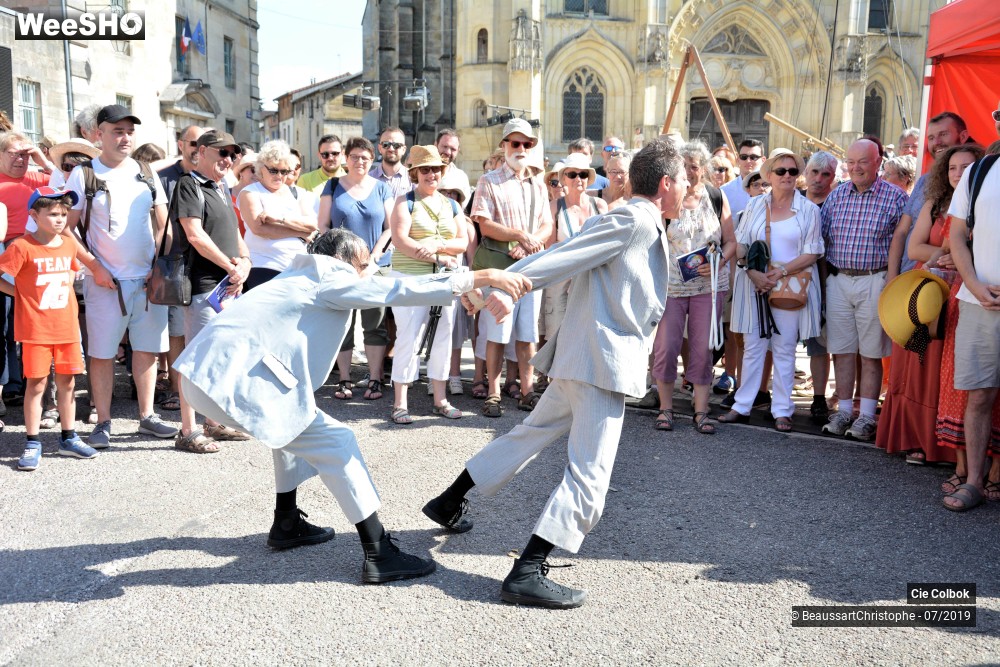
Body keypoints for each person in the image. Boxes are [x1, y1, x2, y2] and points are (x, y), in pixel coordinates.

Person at [420, 138, 688, 609]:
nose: (688, 187)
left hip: (585, 358)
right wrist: (512, 286)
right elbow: (566, 254)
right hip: (600, 363)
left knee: (530, 433)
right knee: (590, 475)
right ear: (666, 183)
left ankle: (450, 499)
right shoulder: (634, 218)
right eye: (684, 179)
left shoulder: (638, 219)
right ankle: (527, 569)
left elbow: (570, 251)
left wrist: (508, 285)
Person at [175, 228, 530, 578]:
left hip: (202, 377)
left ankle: (286, 522)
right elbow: (391, 287)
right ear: (344, 262)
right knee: (337, 442)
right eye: (364, 265)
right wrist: (477, 277)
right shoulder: (329, 277)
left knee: (293, 421)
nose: (368, 272)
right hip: (230, 384)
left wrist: (457, 292)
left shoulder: (297, 275)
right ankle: (379, 552)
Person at [63, 105, 179, 448]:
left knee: (147, 350)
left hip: (147, 281)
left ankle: (147, 417)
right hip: (105, 282)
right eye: (117, 131)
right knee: (101, 353)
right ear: (98, 135)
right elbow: (66, 230)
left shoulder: (145, 172)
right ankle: (103, 421)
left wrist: (159, 263)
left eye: (129, 131)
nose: (125, 137)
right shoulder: (83, 175)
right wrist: (95, 267)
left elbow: (164, 224)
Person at [1, 188, 108, 469]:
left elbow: (72, 271)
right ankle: (33, 441)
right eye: (53, 214)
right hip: (35, 329)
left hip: (67, 328)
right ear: (34, 216)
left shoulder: (69, 244)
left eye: (63, 214)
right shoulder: (21, 246)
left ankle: (68, 438)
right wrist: (20, 294)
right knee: (36, 385)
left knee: (68, 383)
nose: (60, 219)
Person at [718, 149, 824, 432]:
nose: (788, 176)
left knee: (784, 348)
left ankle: (782, 409)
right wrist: (752, 272)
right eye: (781, 171)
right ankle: (742, 405)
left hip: (789, 284)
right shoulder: (754, 206)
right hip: (754, 284)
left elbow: (813, 252)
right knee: (752, 347)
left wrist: (778, 273)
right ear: (769, 175)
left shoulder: (809, 210)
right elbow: (740, 244)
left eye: (792, 171)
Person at [172, 131, 255, 452]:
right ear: (202, 152)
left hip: (227, 286)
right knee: (196, 360)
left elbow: (234, 233)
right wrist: (230, 266)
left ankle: (213, 421)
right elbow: (194, 235)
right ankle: (188, 430)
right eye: (221, 153)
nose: (227, 159)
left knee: (220, 359)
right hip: (204, 287)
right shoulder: (189, 184)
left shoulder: (220, 187)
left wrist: (245, 261)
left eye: (232, 154)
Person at [820, 139, 908, 441]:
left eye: (863, 162)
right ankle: (844, 410)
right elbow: (823, 242)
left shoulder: (896, 198)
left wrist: (892, 284)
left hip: (875, 279)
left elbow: (903, 246)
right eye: (851, 161)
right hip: (839, 280)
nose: (855, 167)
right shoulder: (836, 196)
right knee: (842, 350)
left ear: (878, 161)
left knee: (871, 353)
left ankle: (867, 415)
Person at [471, 119, 553, 416]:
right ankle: (493, 392)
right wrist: (519, 235)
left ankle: (527, 390)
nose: (521, 148)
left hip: (531, 268)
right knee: (497, 332)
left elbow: (547, 225)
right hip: (500, 270)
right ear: (504, 145)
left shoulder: (537, 184)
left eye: (527, 144)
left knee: (527, 334)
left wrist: (531, 241)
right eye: (515, 143)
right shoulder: (488, 180)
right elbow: (483, 223)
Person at [652, 141, 735, 434]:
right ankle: (665, 408)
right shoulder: (667, 199)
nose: (688, 172)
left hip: (708, 286)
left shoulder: (715, 196)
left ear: (704, 169)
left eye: (693, 167)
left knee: (703, 349)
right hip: (671, 287)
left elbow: (731, 242)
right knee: (666, 347)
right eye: (682, 167)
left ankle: (701, 411)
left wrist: (718, 262)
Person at [387, 146, 469, 423]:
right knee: (408, 336)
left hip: (443, 277)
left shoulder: (452, 204)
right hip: (410, 277)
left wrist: (440, 247)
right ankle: (400, 403)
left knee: (444, 335)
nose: (431, 174)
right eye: (425, 169)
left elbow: (463, 241)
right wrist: (437, 254)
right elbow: (400, 240)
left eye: (435, 169)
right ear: (415, 173)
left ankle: (440, 399)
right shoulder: (404, 201)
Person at [941, 141, 1000, 511]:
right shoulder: (979, 172)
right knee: (980, 395)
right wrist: (975, 286)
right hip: (981, 302)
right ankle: (975, 481)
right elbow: (957, 236)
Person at [318, 137, 393, 401]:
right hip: (340, 265)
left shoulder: (382, 188)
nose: (359, 161)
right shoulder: (333, 185)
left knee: (375, 324)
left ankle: (375, 378)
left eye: (365, 157)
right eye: (354, 156)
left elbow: (390, 228)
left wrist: (373, 257)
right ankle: (345, 378)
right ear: (345, 159)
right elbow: (323, 226)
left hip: (375, 266)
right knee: (343, 324)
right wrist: (341, 255)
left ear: (371, 159)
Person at [157, 125, 208, 413]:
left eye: (204, 144)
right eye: (193, 143)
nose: (198, 149)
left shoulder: (213, 178)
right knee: (177, 333)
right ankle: (178, 392)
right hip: (177, 265)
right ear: (181, 144)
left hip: (208, 268)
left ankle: (205, 396)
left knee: (205, 333)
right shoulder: (164, 178)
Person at [540, 153, 609, 355]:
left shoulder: (600, 205)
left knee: (590, 341)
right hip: (562, 281)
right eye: (572, 174)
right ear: (563, 179)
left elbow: (606, 244)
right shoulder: (554, 207)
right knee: (557, 339)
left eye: (583, 174)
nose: (578, 179)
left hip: (592, 283)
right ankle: (556, 385)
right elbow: (549, 248)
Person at [891, 113, 970, 277]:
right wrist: (891, 276)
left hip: (955, 283)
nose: (937, 142)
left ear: (963, 136)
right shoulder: (924, 182)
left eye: (943, 134)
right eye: (932, 137)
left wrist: (960, 258)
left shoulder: (978, 186)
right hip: (911, 276)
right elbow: (902, 233)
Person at [237, 140, 317, 291]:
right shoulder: (250, 192)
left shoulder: (293, 192)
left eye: (284, 171)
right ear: (261, 168)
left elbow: (312, 225)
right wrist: (300, 232)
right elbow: (260, 229)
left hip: (297, 267)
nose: (279, 176)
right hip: (264, 266)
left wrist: (280, 219)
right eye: (274, 170)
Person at [801, 150, 839, 424]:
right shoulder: (793, 202)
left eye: (825, 174)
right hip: (789, 280)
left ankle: (819, 398)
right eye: (814, 172)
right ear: (806, 173)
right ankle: (773, 393)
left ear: (833, 177)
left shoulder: (836, 203)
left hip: (825, 281)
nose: (818, 179)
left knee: (821, 343)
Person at [720, 139, 765, 218]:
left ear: (763, 160)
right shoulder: (724, 191)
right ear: (738, 160)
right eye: (743, 157)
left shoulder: (774, 190)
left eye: (753, 157)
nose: (748, 161)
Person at [370, 127, 412, 199]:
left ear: (404, 150)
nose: (391, 149)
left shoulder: (412, 178)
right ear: (380, 148)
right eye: (386, 144)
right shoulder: (369, 178)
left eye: (397, 145)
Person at [435, 128, 472, 206]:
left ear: (458, 151)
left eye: (453, 149)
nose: (448, 152)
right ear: (435, 145)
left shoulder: (461, 177)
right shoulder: (422, 172)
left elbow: (463, 209)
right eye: (445, 146)